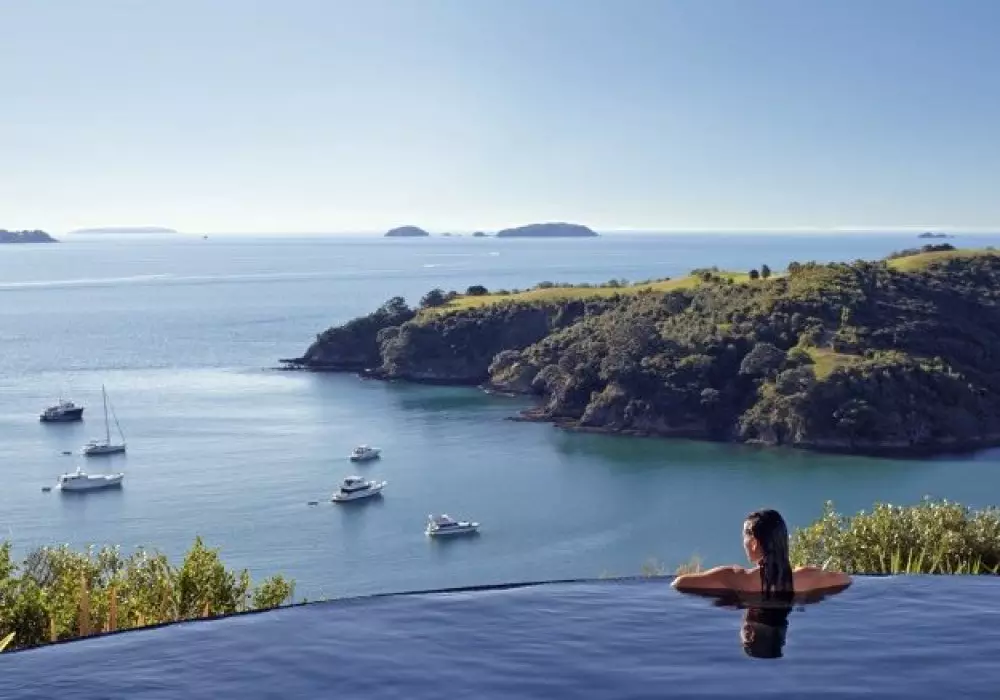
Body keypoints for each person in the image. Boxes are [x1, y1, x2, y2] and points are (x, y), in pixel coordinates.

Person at [671, 509, 851, 596]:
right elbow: (846, 579)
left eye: (744, 536)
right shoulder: (808, 577)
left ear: (754, 543)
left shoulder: (733, 578)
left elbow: (679, 583)